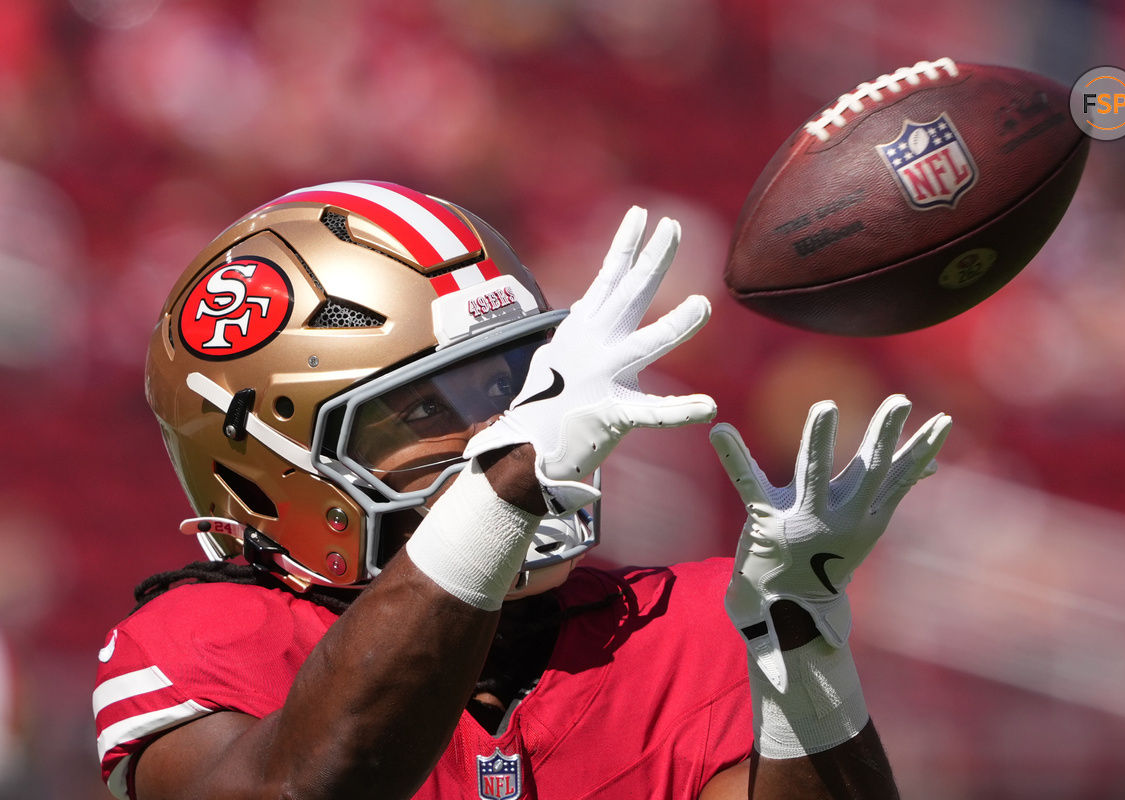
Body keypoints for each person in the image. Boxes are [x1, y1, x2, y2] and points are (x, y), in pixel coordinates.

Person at [92, 180, 950, 799]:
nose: (505, 426)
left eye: (514, 381)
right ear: (264, 466)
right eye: (424, 406)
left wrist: (804, 657)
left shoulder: (684, 625)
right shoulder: (201, 640)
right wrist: (501, 491)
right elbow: (300, 786)